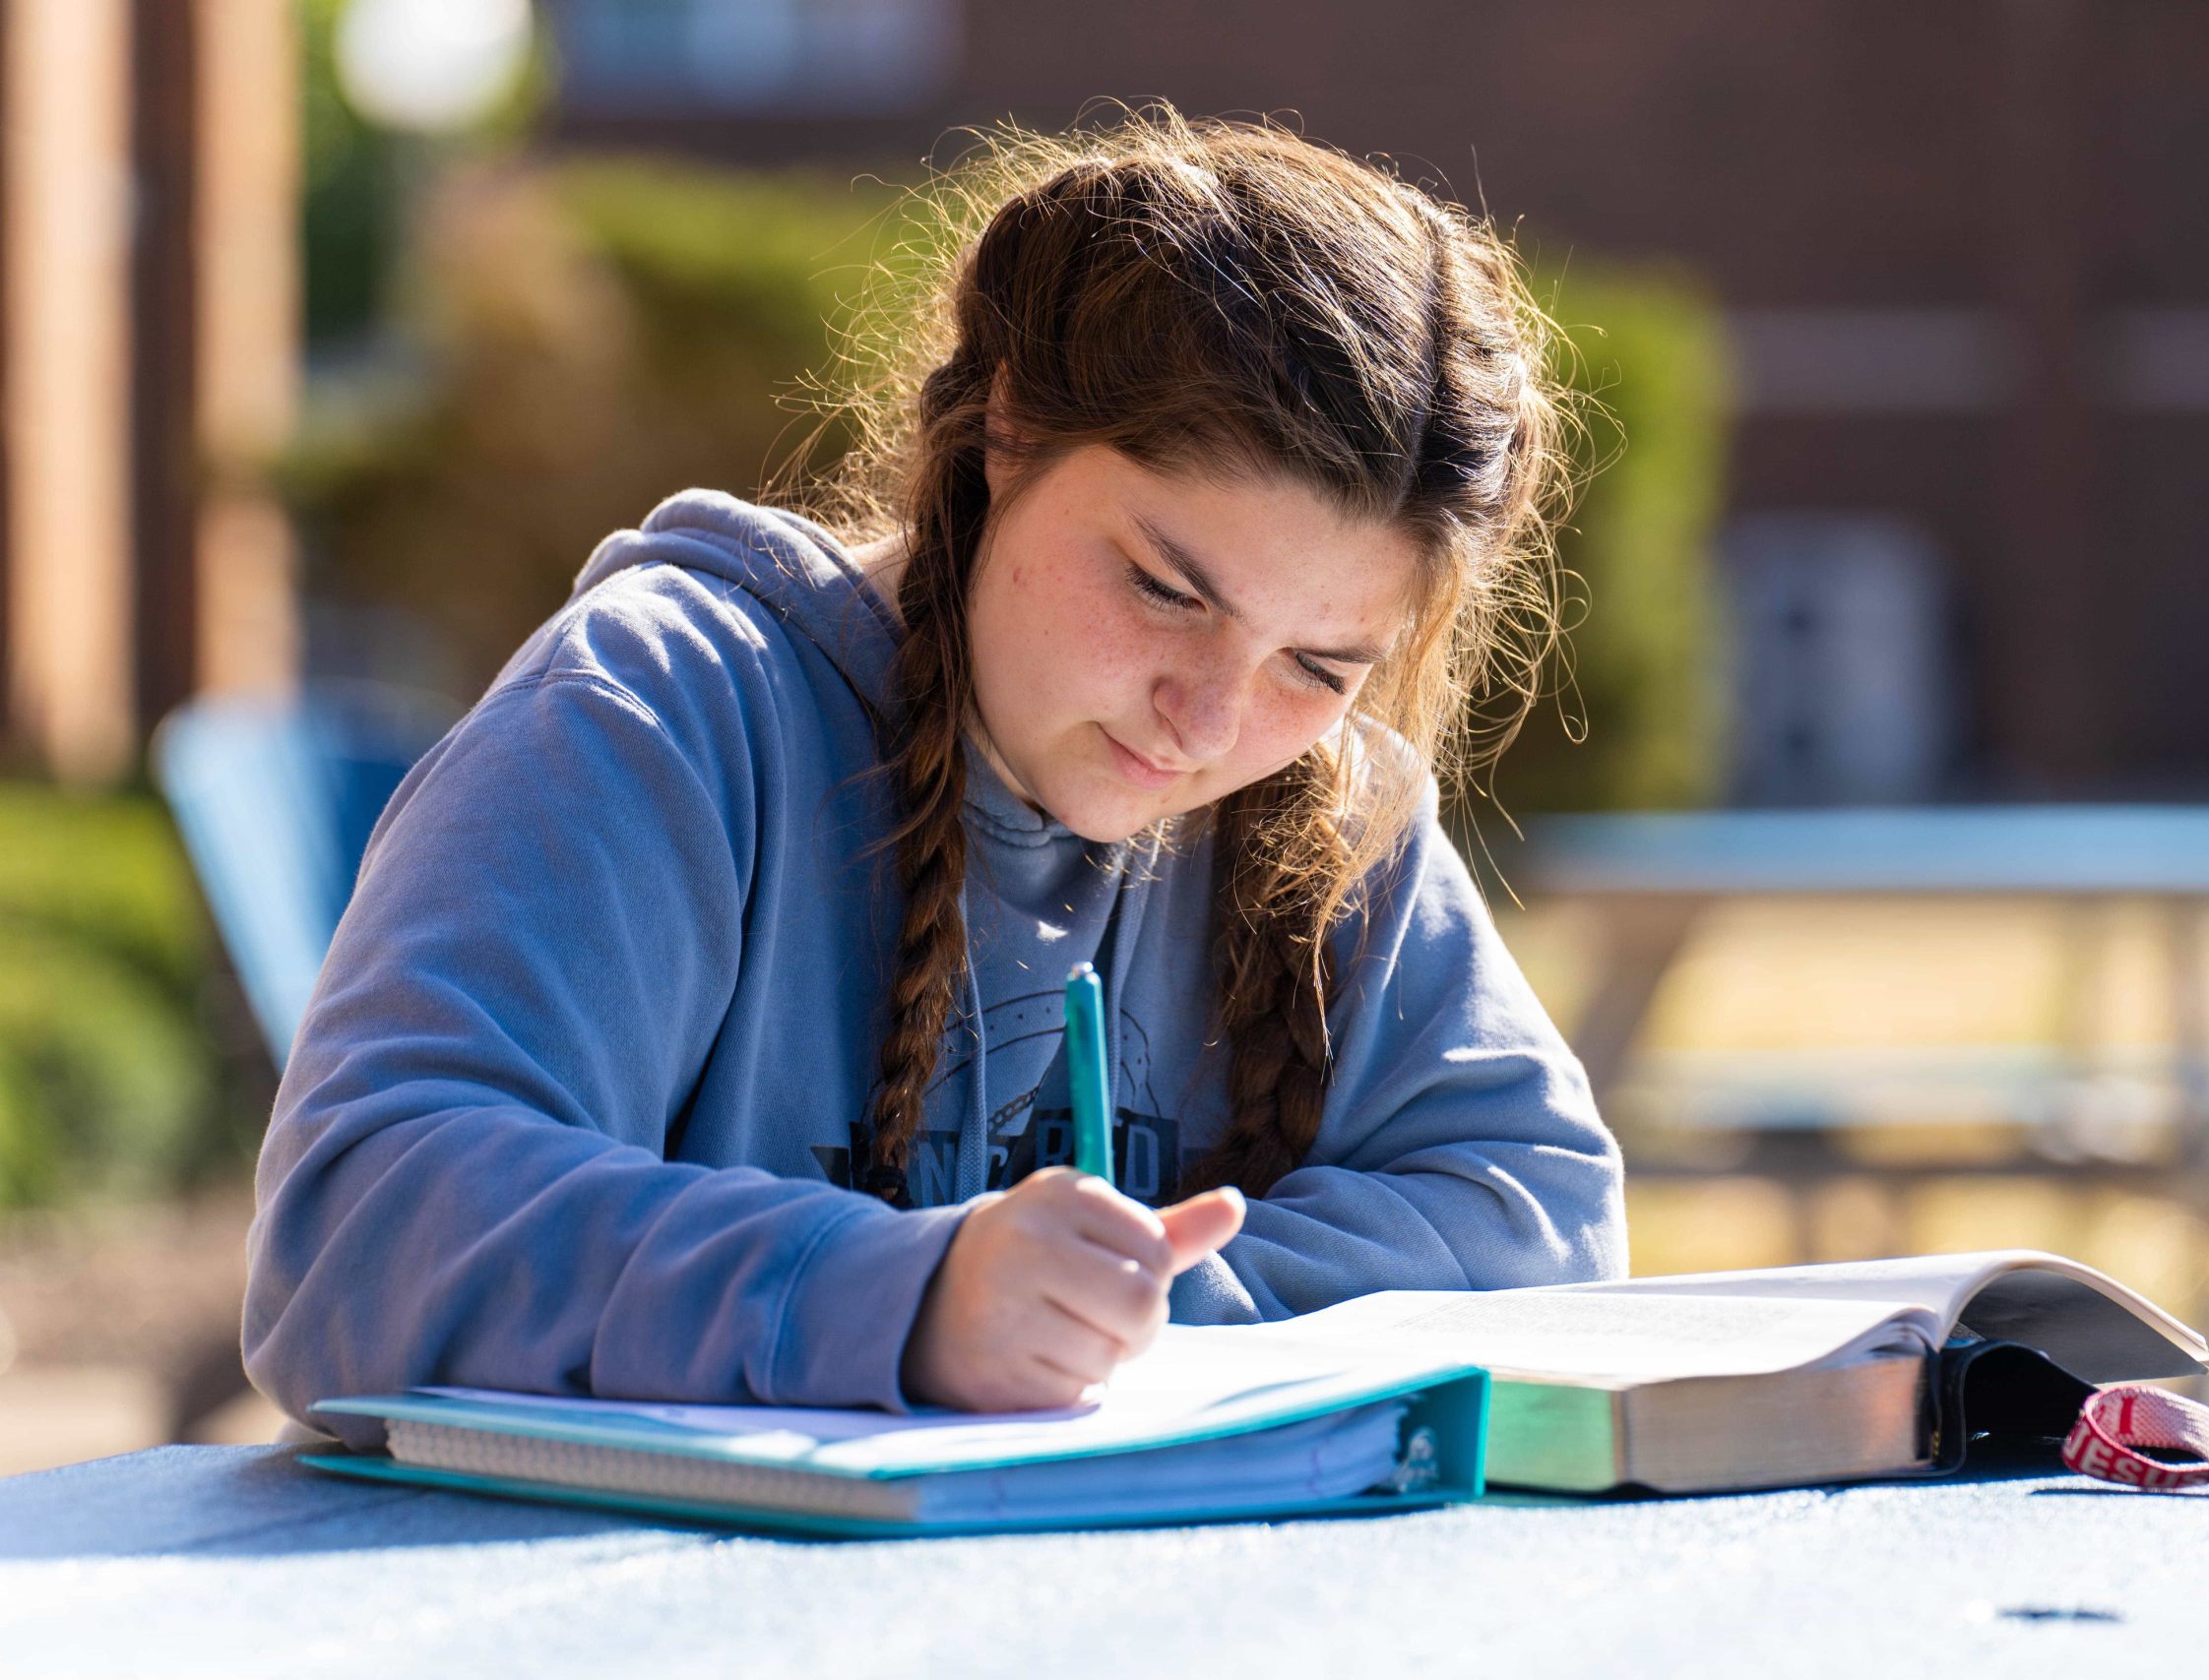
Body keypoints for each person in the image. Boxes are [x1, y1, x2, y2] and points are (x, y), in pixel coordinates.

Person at [244, 106, 1626, 1438]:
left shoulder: (1326, 819)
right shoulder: (660, 711)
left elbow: (1542, 1222)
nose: (1209, 720)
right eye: (1163, 589)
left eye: (1318, 669)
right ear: (1005, 431)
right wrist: (900, 1306)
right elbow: (359, 1236)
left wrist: (1118, 1314)